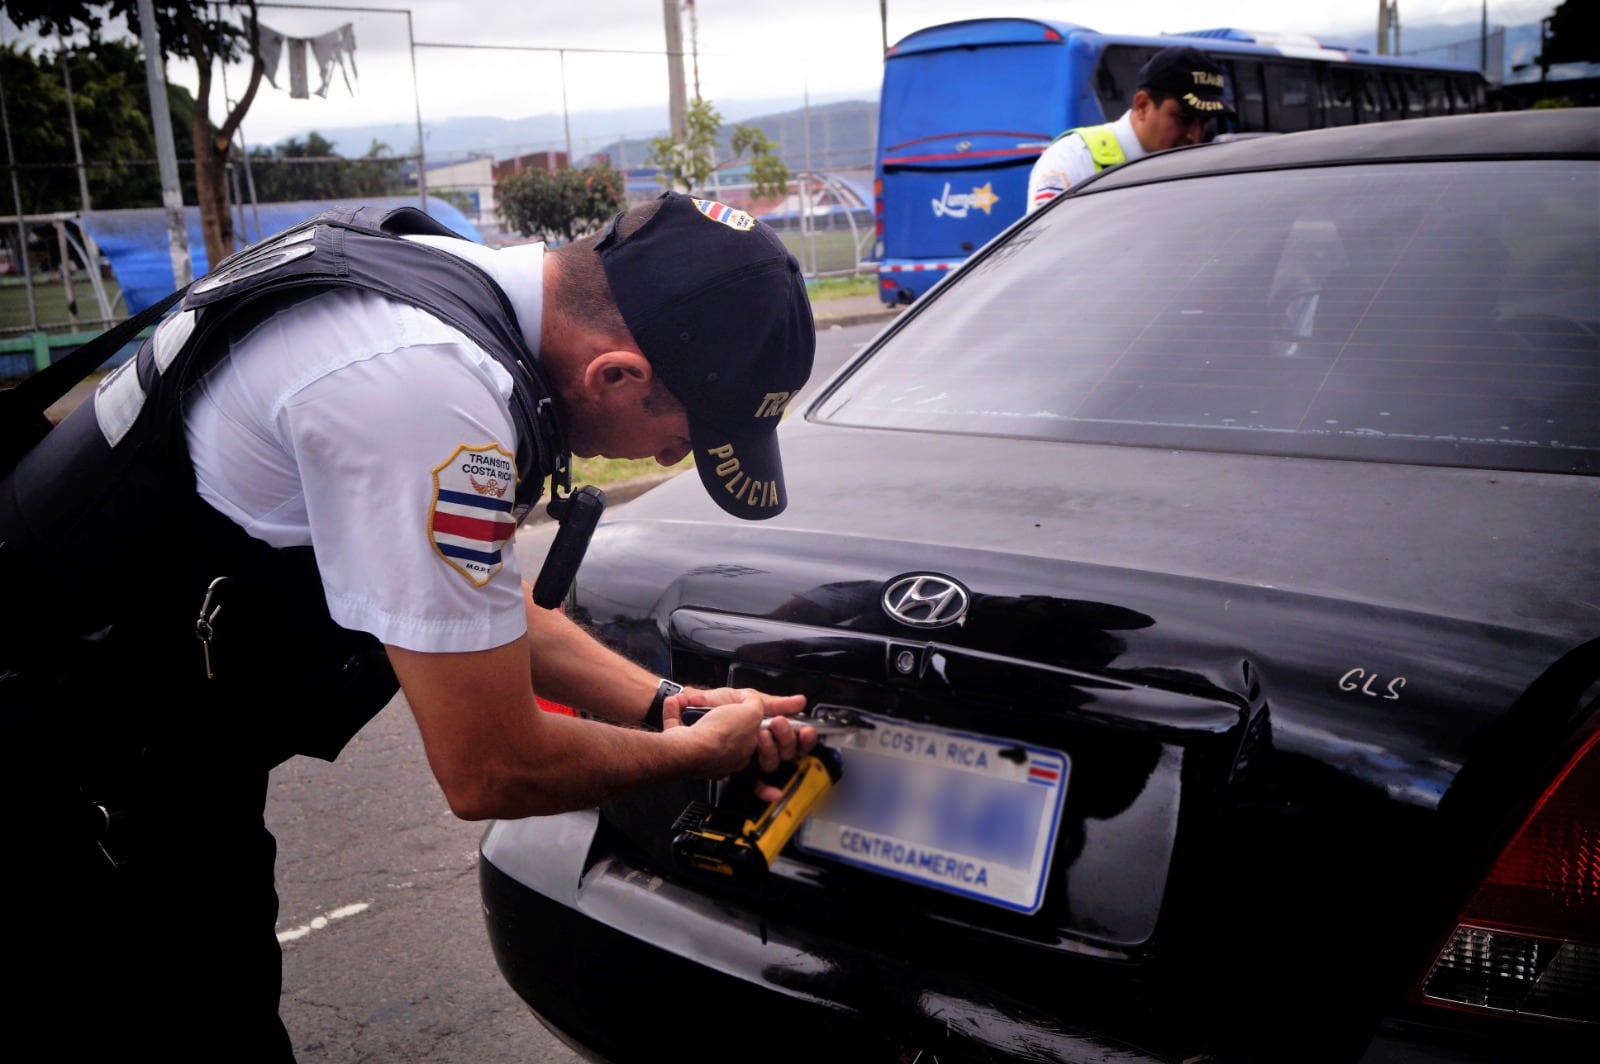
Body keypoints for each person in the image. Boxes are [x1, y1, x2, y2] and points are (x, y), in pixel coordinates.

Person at [0, 191, 819, 1057]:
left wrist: (664, 705)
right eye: (688, 434)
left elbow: (473, 605)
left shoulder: (439, 278)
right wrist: (694, 757)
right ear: (615, 375)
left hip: (143, 735)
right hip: (64, 765)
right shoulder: (429, 389)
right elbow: (491, 767)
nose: (669, 457)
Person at [1025, 45, 1231, 213]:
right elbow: (1045, 244)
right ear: (1142, 105)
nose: (1195, 135)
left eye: (1205, 121)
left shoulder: (1199, 169)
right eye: (1183, 118)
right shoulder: (1074, 158)